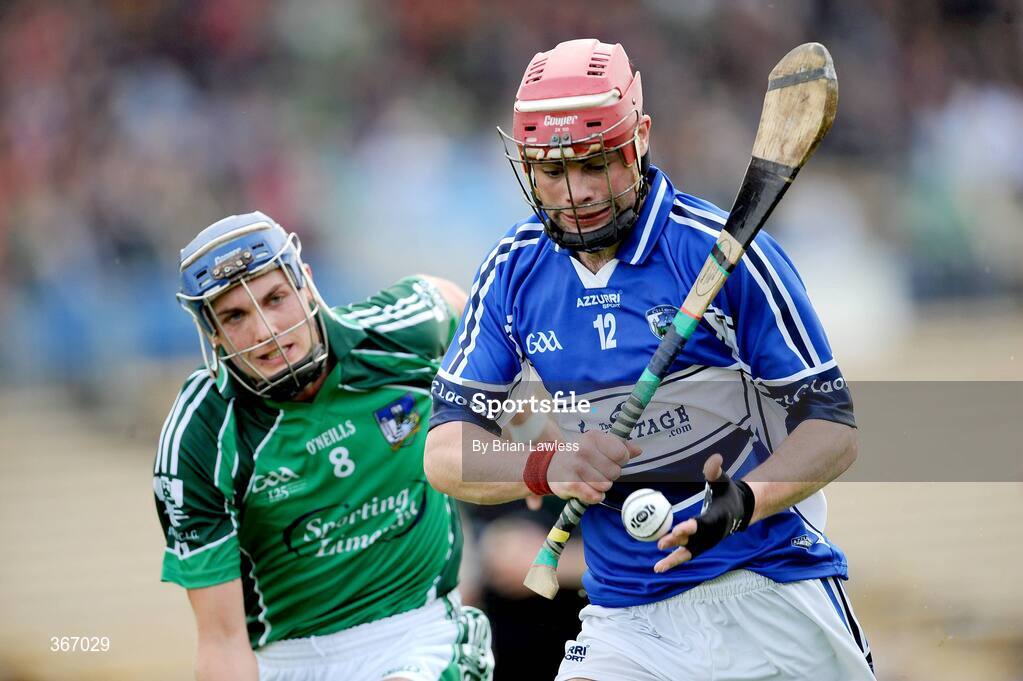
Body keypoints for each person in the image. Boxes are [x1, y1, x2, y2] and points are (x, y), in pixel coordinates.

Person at [424, 39, 874, 681]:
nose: (575, 192)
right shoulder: (513, 272)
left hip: (768, 589)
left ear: (640, 139)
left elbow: (833, 430)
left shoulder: (724, 253)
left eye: (595, 163)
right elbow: (445, 453)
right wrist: (549, 466)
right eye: (551, 172)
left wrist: (742, 501)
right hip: (624, 620)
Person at [152, 211, 494, 681]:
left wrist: (524, 429)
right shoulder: (198, 436)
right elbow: (222, 641)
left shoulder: (402, 329)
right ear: (212, 333)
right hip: (284, 661)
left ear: (305, 283)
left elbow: (469, 314)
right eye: (235, 316)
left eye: (275, 298)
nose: (264, 331)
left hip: (419, 637)